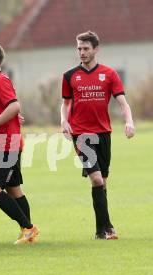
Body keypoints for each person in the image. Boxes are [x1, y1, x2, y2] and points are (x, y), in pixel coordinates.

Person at [60, 31, 135, 240]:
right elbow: (65, 104)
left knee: (102, 181)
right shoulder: (69, 76)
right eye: (79, 48)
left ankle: (99, 231)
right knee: (95, 179)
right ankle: (109, 227)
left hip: (103, 133)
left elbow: (122, 102)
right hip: (81, 134)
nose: (81, 52)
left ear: (95, 49)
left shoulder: (109, 74)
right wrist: (63, 120)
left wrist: (129, 121)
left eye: (85, 49)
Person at [0, 43, 40, 244]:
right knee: (14, 189)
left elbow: (14, 106)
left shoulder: (0, 81)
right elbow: (7, 109)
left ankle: (29, 228)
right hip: (9, 142)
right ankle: (27, 231)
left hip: (5, 144)